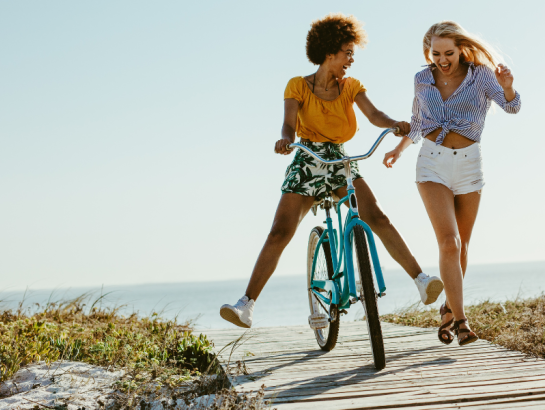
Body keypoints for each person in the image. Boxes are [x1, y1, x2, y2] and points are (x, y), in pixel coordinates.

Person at [221, 13, 443, 328]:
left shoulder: (351, 87)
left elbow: (374, 114)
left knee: (377, 217)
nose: (351, 59)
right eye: (347, 53)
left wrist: (394, 124)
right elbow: (288, 124)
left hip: (339, 160)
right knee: (279, 232)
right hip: (308, 158)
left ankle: (421, 280)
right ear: (329, 53)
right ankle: (246, 304)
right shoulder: (298, 85)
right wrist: (286, 141)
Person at [382, 21, 520, 345]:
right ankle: (461, 321)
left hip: (470, 164)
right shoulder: (421, 79)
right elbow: (418, 122)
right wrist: (399, 149)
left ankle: (447, 309)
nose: (442, 60)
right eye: (435, 54)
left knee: (463, 247)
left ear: (460, 48)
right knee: (450, 243)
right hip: (432, 164)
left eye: (448, 53)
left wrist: (508, 86)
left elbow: (512, 106)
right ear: (428, 52)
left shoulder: (482, 75)